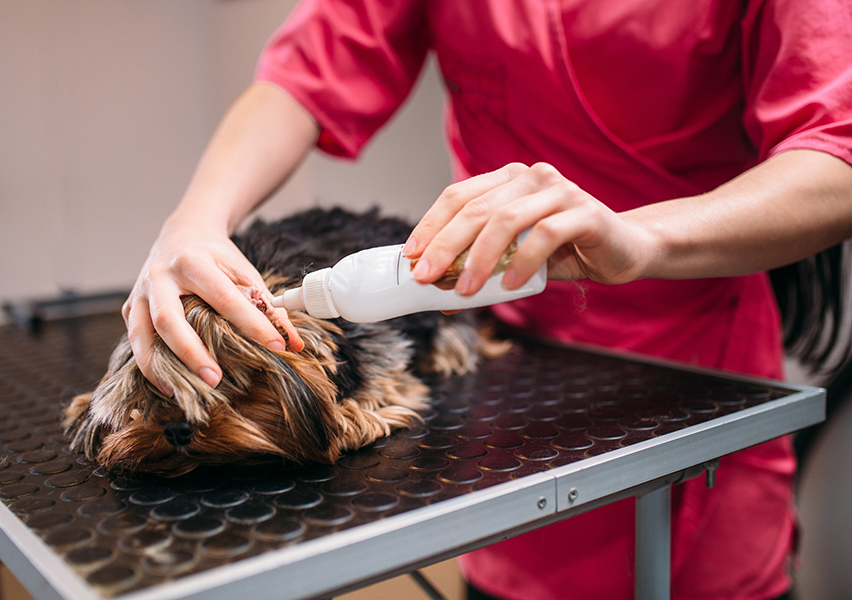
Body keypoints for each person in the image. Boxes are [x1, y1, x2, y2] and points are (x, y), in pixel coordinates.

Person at [121, 2, 852, 598]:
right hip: (512, 379)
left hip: (695, 366)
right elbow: (305, 74)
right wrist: (193, 221)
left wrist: (639, 241)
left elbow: (836, 158)